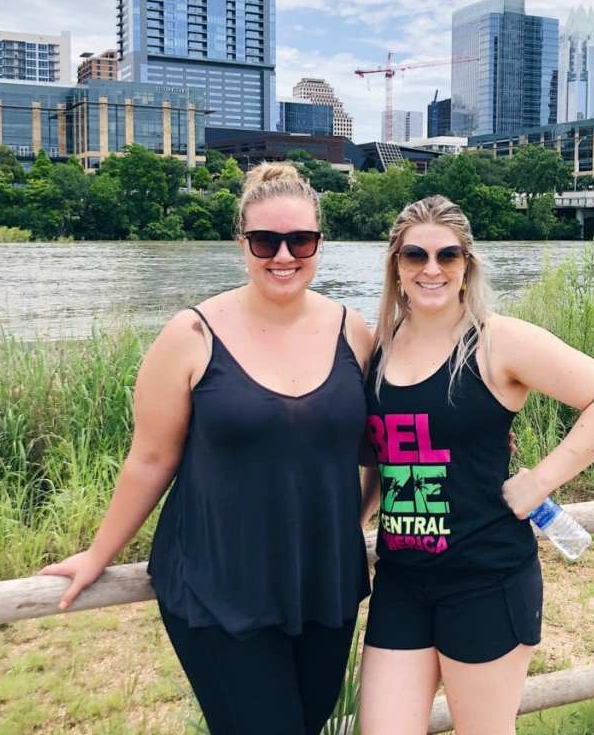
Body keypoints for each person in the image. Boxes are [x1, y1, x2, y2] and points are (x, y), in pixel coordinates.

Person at [39, 162, 373, 735]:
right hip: (219, 580)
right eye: (265, 241)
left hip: (323, 579)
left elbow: (377, 447)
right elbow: (150, 458)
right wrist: (98, 554)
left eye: (301, 240)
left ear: (320, 242)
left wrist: (350, 522)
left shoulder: (355, 333)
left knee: (309, 720)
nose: (284, 256)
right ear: (241, 242)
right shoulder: (191, 335)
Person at [359, 195, 594, 735]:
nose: (432, 269)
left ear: (468, 265)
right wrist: (355, 519)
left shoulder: (496, 341)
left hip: (485, 579)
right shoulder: (380, 349)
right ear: (396, 265)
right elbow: (383, 455)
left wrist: (539, 481)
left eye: (448, 255)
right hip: (400, 581)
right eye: (415, 255)